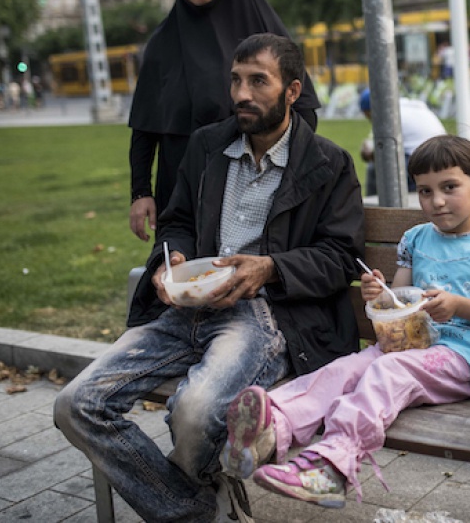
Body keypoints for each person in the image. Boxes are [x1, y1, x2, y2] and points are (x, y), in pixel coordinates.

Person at [54, 33, 365, 523]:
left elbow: (342, 257)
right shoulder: (206, 146)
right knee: (75, 405)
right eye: (236, 80)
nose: (241, 93)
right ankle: (195, 509)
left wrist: (270, 268)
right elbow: (177, 221)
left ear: (292, 91)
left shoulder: (328, 163)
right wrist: (171, 258)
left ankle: (190, 507)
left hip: (262, 314)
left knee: (194, 413)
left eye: (258, 81)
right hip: (186, 305)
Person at [220, 134, 470, 509]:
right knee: (343, 370)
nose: (437, 201)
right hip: (403, 344)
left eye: (449, 187)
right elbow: (396, 301)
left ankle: (334, 464)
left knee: (387, 372)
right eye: (425, 191)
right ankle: (270, 427)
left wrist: (458, 306)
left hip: (459, 357)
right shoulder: (415, 239)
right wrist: (377, 292)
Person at [129, 0, 321, 243]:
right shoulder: (163, 44)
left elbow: (304, 112)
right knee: (183, 278)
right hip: (183, 190)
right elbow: (145, 126)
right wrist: (140, 193)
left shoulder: (263, 31)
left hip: (259, 188)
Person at [358, 88, 447, 196]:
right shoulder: (412, 106)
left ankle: (373, 207)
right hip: (444, 154)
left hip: (422, 159)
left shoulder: (388, 116)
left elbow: (377, 150)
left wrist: (368, 152)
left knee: (376, 167)